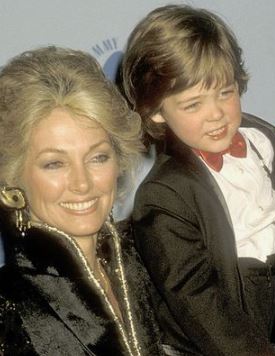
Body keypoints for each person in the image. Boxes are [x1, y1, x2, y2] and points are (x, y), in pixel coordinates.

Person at [121, 5, 275, 355]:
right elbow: (197, 300)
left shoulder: (259, 136)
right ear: (156, 111)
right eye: (193, 105)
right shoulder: (163, 196)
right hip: (220, 329)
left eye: (225, 93)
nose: (216, 113)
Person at [0, 46, 163, 355]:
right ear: (15, 176)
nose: (82, 183)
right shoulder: (10, 308)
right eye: (54, 164)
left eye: (97, 157)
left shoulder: (144, 264)